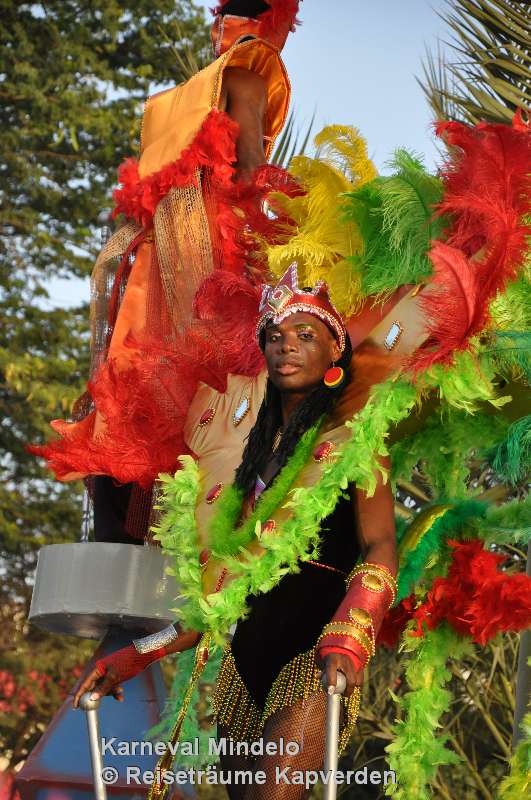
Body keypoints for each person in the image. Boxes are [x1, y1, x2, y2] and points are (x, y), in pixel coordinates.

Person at [74, 264, 399, 799]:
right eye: (275, 336)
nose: (286, 345)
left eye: (305, 335)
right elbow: (209, 608)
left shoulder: (357, 441)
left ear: (334, 354)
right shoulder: (243, 464)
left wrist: (352, 632)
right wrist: (136, 653)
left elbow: (381, 546)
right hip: (242, 670)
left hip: (314, 659)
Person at [29, 0, 300, 543]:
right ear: (272, 23)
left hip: (153, 259)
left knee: (137, 379)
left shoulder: (182, 96)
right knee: (205, 380)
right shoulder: (247, 76)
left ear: (219, 24)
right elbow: (252, 175)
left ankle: (125, 529)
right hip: (206, 253)